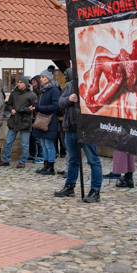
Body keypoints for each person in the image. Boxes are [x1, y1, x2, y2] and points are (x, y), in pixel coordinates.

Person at [55, 68, 102, 202]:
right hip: (70, 127)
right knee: (72, 160)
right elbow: (60, 103)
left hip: (87, 129)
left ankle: (95, 190)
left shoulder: (91, 84)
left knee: (93, 160)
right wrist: (69, 99)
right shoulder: (69, 86)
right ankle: (70, 186)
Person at [0, 76, 37, 168]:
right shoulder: (13, 93)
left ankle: (23, 161)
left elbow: (34, 108)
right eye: (18, 82)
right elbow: (8, 104)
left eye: (21, 82)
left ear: (25, 83)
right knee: (8, 141)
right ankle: (6, 160)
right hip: (14, 121)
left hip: (25, 121)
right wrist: (11, 109)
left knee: (24, 144)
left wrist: (24, 110)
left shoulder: (32, 95)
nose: (18, 84)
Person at [31, 69, 60, 175]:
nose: (41, 79)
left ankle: (51, 167)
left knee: (48, 144)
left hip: (49, 120)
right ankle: (45, 165)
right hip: (41, 119)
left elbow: (56, 106)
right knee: (43, 143)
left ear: (49, 78)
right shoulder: (43, 90)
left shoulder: (54, 90)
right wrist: (35, 107)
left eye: (44, 77)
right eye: (41, 77)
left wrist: (39, 108)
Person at [29, 75, 43, 163]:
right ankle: (32, 154)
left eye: (34, 81)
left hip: (39, 116)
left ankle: (41, 155)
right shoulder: (32, 91)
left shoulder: (41, 92)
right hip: (33, 116)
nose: (32, 82)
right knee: (33, 136)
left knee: (39, 137)